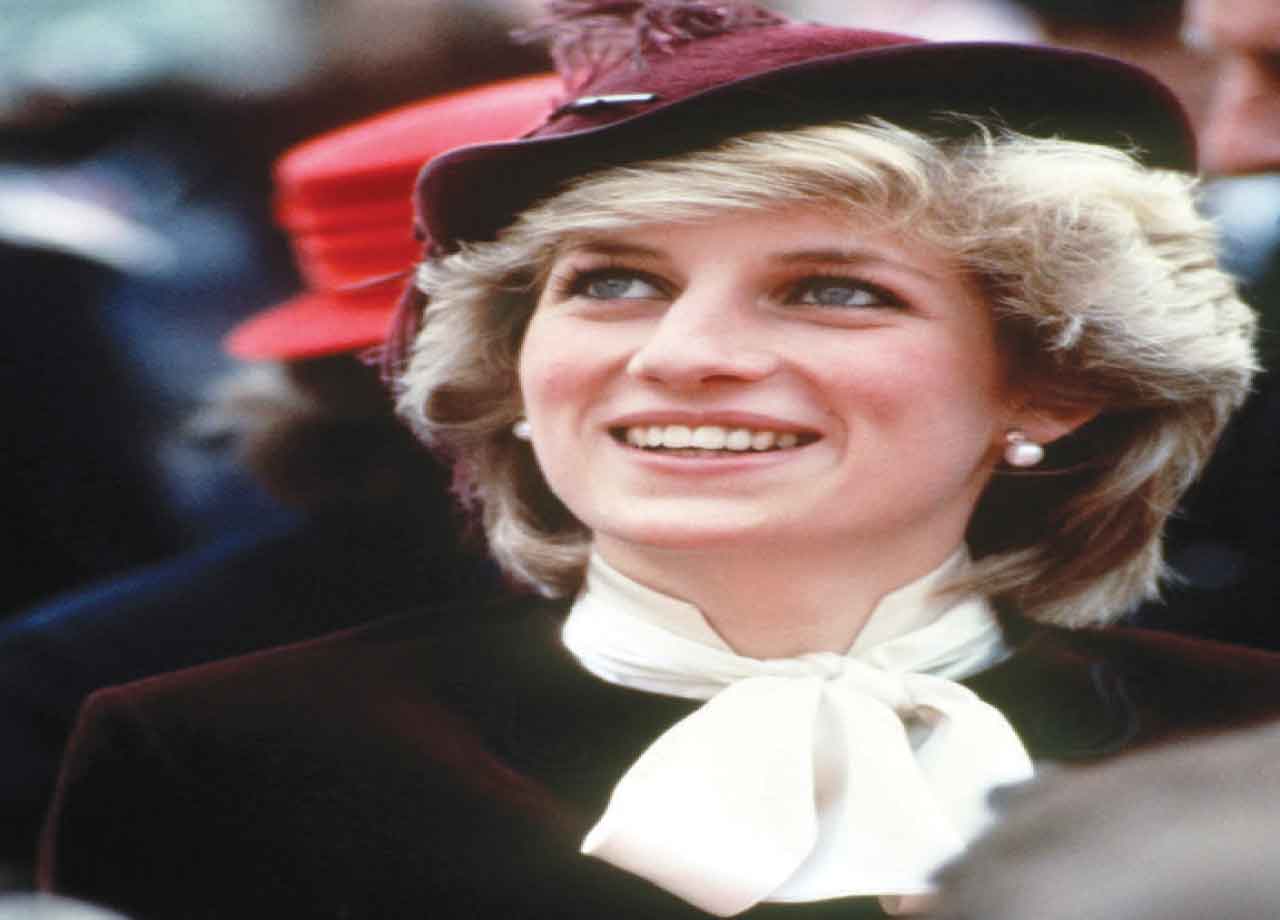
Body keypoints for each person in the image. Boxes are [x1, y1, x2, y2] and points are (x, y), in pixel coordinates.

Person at [38, 3, 1280, 918]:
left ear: (1055, 383)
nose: (682, 355)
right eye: (612, 282)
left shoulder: (1237, 736)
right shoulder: (219, 753)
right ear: (516, 367)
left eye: (832, 289)